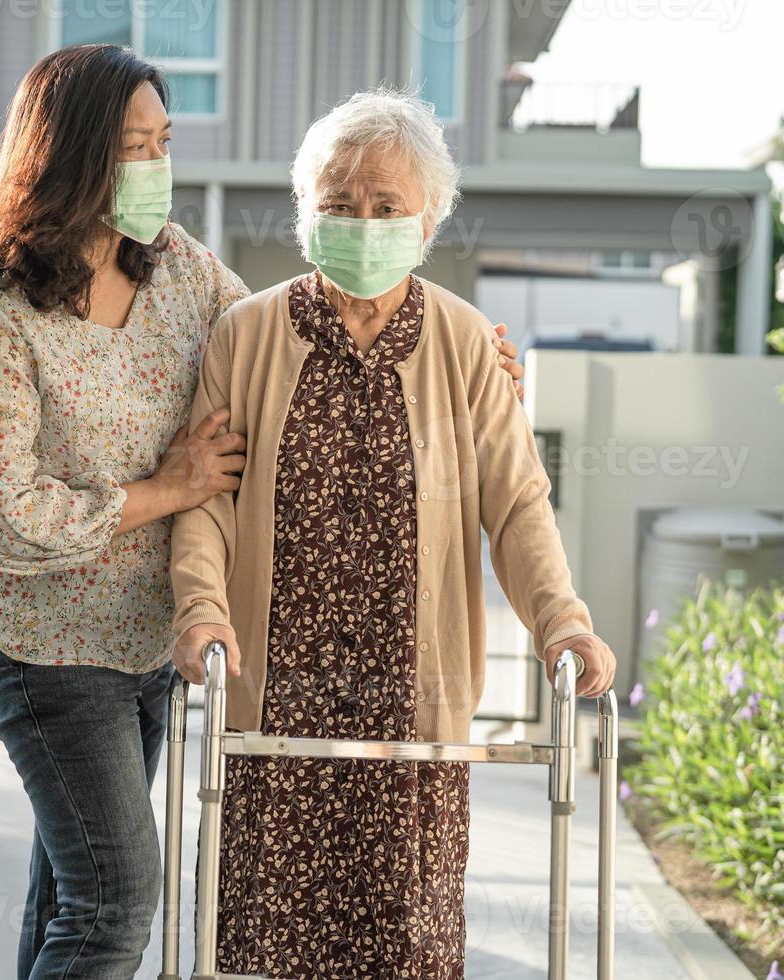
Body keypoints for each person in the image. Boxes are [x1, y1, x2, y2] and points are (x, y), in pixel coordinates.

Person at [0, 44, 527, 979]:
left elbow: (285, 343)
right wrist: (168, 492)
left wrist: (450, 357)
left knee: (67, 894)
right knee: (116, 901)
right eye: (134, 144)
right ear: (71, 154)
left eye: (163, 140)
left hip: (147, 645)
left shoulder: (176, 269)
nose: (156, 165)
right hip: (47, 646)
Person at [169, 89, 617, 979]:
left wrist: (562, 621)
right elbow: (204, 501)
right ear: (306, 215)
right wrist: (200, 609)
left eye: (386, 206)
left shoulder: (462, 342)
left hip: (411, 712)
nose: (360, 222)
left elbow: (517, 500)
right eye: (338, 204)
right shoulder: (245, 334)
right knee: (262, 947)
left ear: (426, 221)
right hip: (275, 702)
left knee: (402, 951)